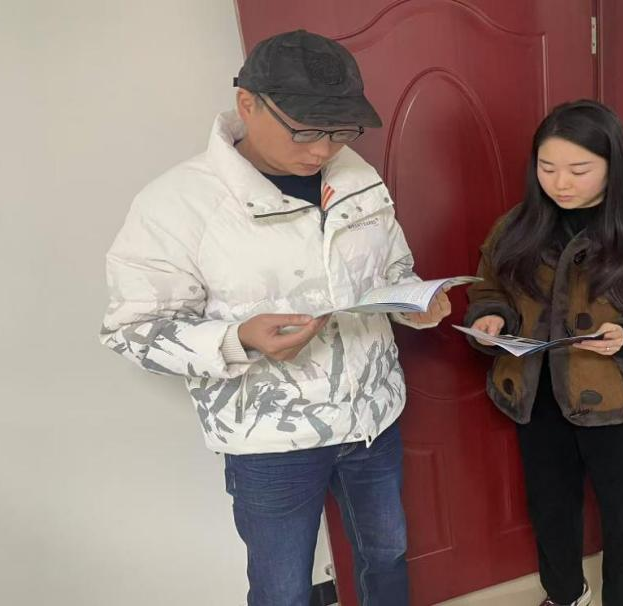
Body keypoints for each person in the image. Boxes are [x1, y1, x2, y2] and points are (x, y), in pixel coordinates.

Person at [100, 30, 450, 606]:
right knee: (282, 589)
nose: (323, 150)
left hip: (373, 418)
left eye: (340, 131)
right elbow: (132, 331)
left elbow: (391, 267)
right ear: (247, 104)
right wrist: (237, 338)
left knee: (386, 556)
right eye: (306, 131)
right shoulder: (178, 205)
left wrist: (414, 302)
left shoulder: (356, 176)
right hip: (270, 440)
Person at [464, 100, 623, 606]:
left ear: (613, 165)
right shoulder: (517, 226)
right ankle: (564, 594)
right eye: (547, 168)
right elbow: (489, 288)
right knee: (551, 508)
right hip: (539, 399)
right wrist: (492, 319)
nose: (560, 183)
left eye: (579, 170)